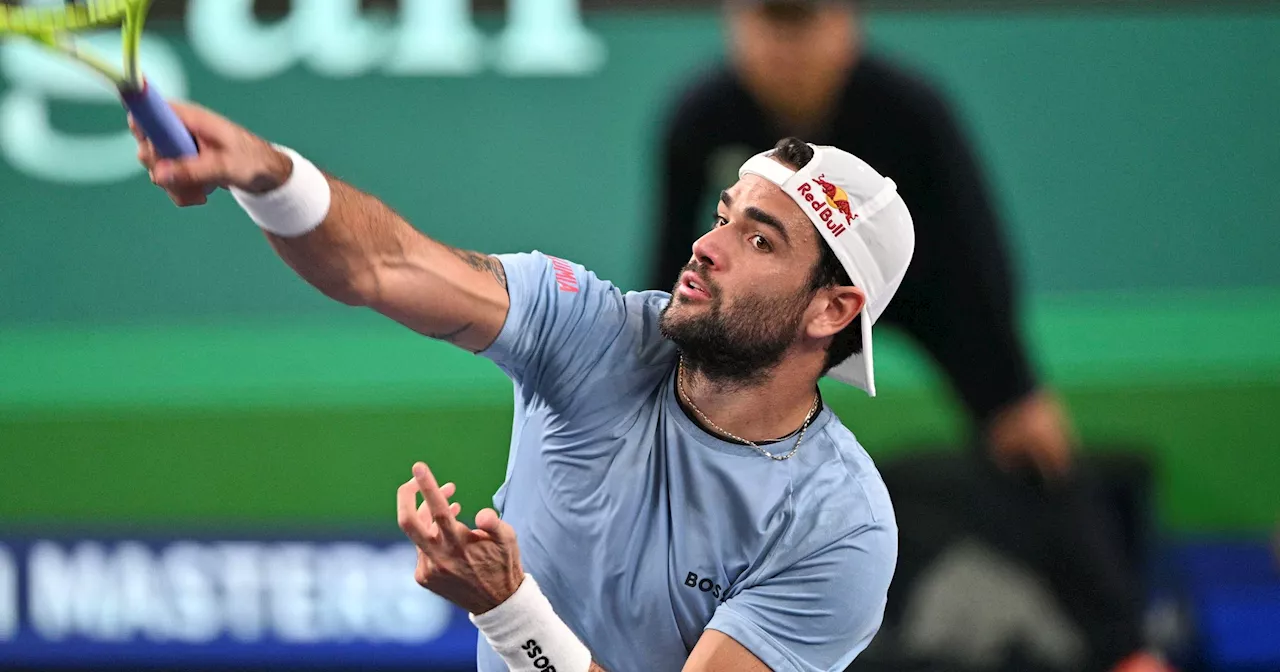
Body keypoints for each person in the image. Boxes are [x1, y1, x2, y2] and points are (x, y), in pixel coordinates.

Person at [133, 102, 913, 671]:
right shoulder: (591, 331)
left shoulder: (839, 527)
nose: (708, 246)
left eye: (758, 239)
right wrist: (269, 174)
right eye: (723, 215)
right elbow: (383, 264)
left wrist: (510, 611)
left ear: (831, 310)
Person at [651, 3, 1165, 671]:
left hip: (924, 290)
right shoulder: (700, 118)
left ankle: (1123, 646)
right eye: (768, 30)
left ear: (844, 29)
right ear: (735, 28)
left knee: (1030, 438)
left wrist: (1007, 377)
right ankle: (680, 627)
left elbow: (975, 245)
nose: (786, 52)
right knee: (681, 428)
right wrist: (677, 365)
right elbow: (672, 253)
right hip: (778, 295)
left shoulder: (909, 111)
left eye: (802, 29)